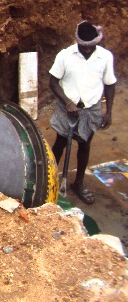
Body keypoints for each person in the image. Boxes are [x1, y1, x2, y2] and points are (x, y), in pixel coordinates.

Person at [49, 21, 116, 205]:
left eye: (90, 46)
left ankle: (78, 184)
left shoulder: (105, 57)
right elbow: (53, 82)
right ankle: (50, 180)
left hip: (91, 108)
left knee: (85, 144)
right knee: (60, 142)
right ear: (77, 41)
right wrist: (67, 102)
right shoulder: (65, 55)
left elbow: (110, 84)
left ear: (96, 41)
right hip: (67, 107)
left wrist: (108, 111)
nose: (87, 50)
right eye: (83, 46)